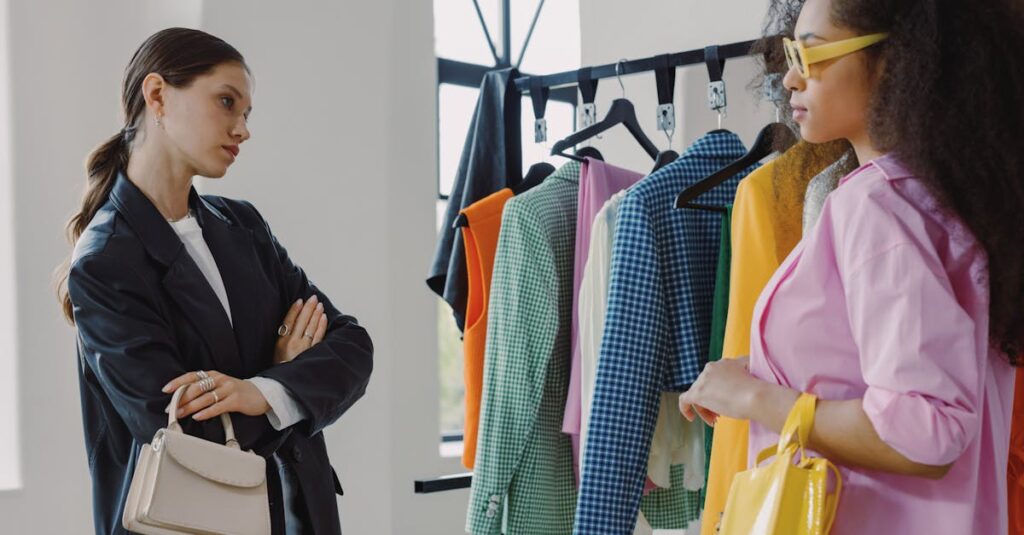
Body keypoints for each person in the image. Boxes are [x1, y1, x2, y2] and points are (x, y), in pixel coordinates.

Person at [678, 0, 1024, 533]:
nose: (790, 78)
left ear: (896, 61)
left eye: (811, 55)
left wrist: (753, 397)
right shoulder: (953, 200)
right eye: (791, 54)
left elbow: (926, 432)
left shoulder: (876, 207)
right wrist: (764, 372)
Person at [55, 28, 374, 535]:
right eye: (227, 103)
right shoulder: (105, 262)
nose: (242, 129)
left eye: (246, 114)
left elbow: (353, 345)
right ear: (157, 94)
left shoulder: (243, 224)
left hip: (300, 516)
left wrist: (260, 391)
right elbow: (185, 432)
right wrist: (281, 376)